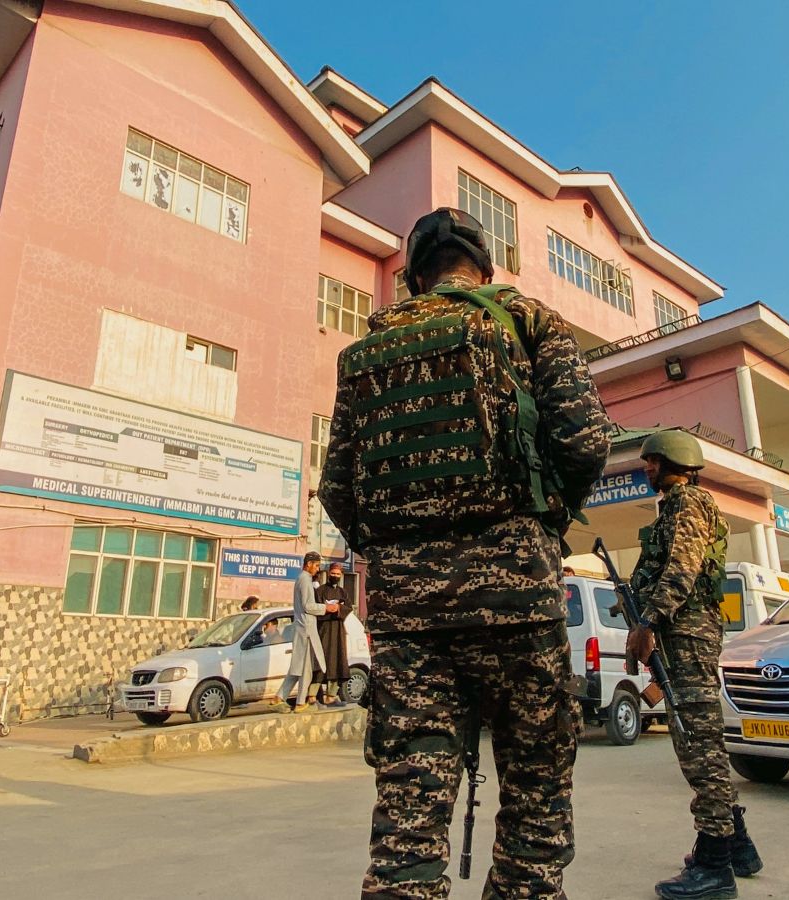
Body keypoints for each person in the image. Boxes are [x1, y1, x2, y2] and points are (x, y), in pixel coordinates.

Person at [319, 207, 610, 898]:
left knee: (408, 819)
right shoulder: (527, 322)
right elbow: (585, 442)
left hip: (410, 624)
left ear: (415, 277)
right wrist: (542, 523)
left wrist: (399, 555)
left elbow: (337, 489)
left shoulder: (364, 353)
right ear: (484, 267)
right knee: (535, 798)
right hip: (519, 604)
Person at [625, 429, 758, 899]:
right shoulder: (675, 507)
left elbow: (682, 569)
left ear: (675, 461)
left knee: (699, 747)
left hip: (687, 636)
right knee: (702, 745)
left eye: (653, 461)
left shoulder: (689, 504)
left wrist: (648, 621)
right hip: (682, 635)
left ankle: (714, 866)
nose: (647, 468)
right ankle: (737, 846)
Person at [271, 552, 326, 712]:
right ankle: (301, 703)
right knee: (305, 669)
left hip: (302, 628)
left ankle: (279, 697)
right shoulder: (305, 580)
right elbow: (309, 606)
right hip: (306, 630)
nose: (317, 569)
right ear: (309, 564)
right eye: (316, 565)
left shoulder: (302, 579)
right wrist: (326, 607)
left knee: (297, 667)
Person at [314, 562, 351, 706]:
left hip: (338, 632)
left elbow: (348, 608)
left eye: (337, 574)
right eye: (333, 573)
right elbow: (316, 609)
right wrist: (328, 608)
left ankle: (331, 696)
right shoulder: (320, 591)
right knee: (320, 662)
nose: (335, 576)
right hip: (323, 631)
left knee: (336, 661)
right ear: (328, 573)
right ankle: (312, 696)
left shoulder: (343, 592)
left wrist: (338, 608)